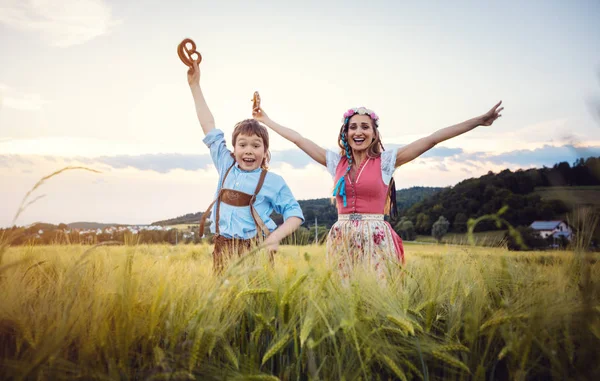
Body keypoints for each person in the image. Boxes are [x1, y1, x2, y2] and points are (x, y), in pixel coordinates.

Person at [253, 101, 503, 279]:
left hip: (377, 238)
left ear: (374, 134)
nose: (358, 131)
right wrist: (267, 121)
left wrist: (477, 122)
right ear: (346, 133)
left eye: (365, 127)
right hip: (342, 237)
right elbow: (299, 139)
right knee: (343, 299)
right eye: (353, 127)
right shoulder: (335, 162)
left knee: (377, 295)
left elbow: (432, 139)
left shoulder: (385, 162)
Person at [187, 61, 305, 273]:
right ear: (233, 148)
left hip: (256, 251)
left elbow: (295, 214)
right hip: (222, 247)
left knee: (255, 303)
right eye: (242, 145)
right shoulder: (226, 164)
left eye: (256, 145)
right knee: (226, 302)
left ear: (265, 151)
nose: (248, 150)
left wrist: (275, 237)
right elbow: (208, 126)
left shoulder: (273, 181)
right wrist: (195, 85)